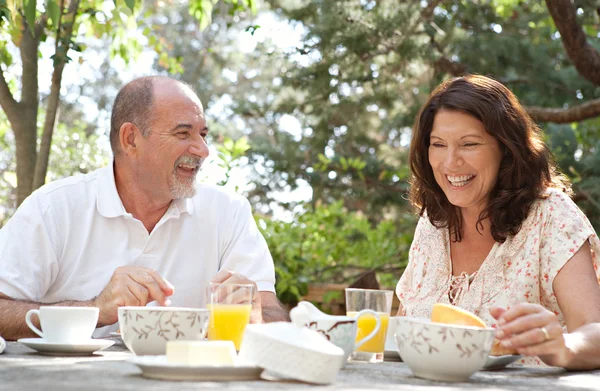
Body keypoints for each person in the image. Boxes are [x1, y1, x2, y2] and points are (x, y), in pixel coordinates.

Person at [0, 76, 289, 340]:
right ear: (131, 139)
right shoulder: (55, 207)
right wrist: (95, 311)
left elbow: (272, 313)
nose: (203, 149)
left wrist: (257, 316)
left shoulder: (229, 213)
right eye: (183, 133)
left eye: (203, 134)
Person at [396, 74, 600, 369]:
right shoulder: (433, 222)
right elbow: (405, 330)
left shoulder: (551, 217)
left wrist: (563, 346)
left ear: (505, 147)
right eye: (438, 144)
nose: (450, 162)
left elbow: (594, 331)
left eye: (469, 144)